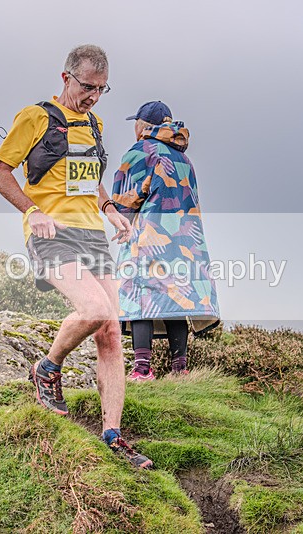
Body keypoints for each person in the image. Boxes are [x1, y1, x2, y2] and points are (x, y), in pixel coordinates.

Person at [0, 45, 152, 468]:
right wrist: (33, 211)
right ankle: (48, 366)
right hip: (52, 233)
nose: (93, 97)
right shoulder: (35, 117)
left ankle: (113, 435)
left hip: (92, 235)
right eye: (87, 87)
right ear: (66, 78)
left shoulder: (95, 124)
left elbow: (90, 180)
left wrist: (110, 209)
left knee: (111, 331)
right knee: (94, 310)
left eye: (101, 89)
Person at [111, 101, 220, 380]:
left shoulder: (142, 151)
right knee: (176, 296)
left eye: (136, 123)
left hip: (150, 234)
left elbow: (126, 195)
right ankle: (179, 368)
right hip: (185, 240)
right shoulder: (184, 159)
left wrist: (121, 219)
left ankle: (142, 368)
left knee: (141, 294)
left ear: (144, 125)